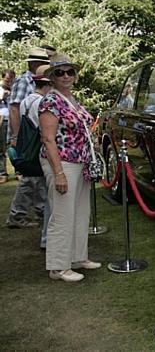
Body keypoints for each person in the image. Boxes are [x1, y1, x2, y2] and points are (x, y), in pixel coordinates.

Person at [39, 54, 101, 282]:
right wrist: (58, 173)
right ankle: (58, 266)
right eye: (60, 72)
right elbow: (48, 139)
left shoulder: (72, 99)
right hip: (62, 162)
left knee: (81, 211)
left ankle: (77, 257)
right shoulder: (50, 102)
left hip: (80, 162)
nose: (66, 76)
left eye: (69, 72)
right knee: (63, 214)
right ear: (52, 77)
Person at [5, 48, 49, 229]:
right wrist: (16, 137)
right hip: (29, 139)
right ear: (33, 63)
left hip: (30, 138)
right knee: (32, 177)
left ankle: (36, 211)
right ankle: (21, 214)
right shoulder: (25, 81)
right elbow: (14, 109)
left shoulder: (31, 85)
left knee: (34, 177)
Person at [21, 65, 52, 249]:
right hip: (42, 150)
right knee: (50, 197)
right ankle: (47, 238)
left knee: (41, 191)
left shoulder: (27, 101)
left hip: (31, 150)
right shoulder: (41, 103)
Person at [0, 69, 15, 183]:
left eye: (10, 80)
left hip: (13, 119)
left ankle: (19, 171)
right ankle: (2, 173)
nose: (8, 82)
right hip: (2, 120)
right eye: (6, 80)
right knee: (1, 148)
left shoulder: (15, 89)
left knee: (14, 146)